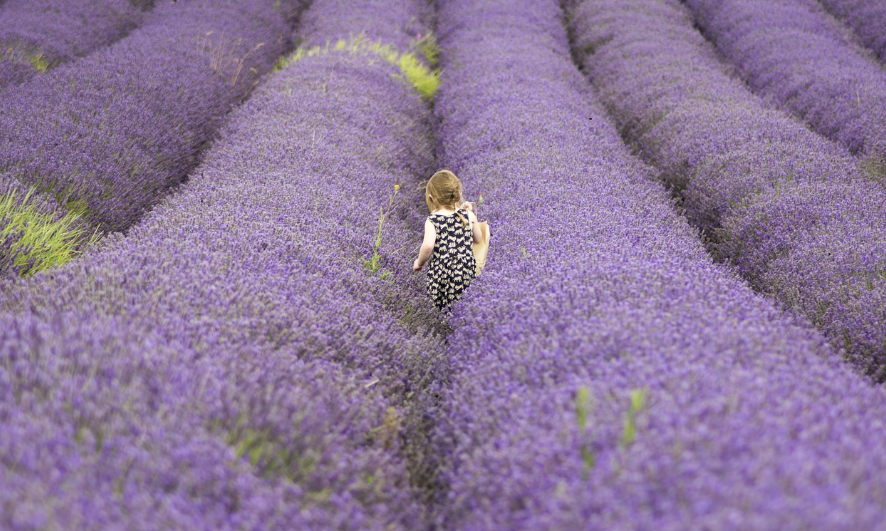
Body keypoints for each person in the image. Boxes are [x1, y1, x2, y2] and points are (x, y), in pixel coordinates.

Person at [413, 169, 482, 310]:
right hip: (466, 270)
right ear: (458, 194)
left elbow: (427, 247)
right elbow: (479, 238)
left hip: (442, 273)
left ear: (431, 197)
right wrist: (472, 215)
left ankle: (443, 324)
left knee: (441, 308)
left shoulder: (433, 219)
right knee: (465, 306)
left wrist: (419, 263)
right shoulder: (468, 215)